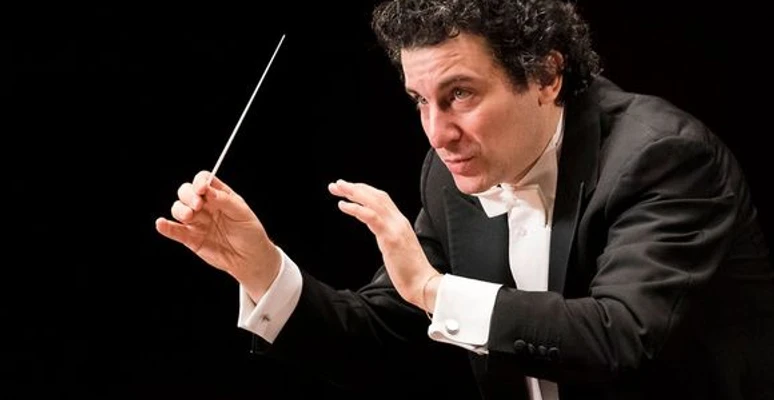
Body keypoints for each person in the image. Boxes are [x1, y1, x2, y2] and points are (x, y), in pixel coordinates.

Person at [155, 0, 774, 398]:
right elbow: (380, 340)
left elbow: (620, 337)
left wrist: (431, 289)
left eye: (460, 95)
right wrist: (261, 268)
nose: (437, 133)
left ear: (546, 75)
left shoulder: (664, 157)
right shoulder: (452, 172)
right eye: (419, 101)